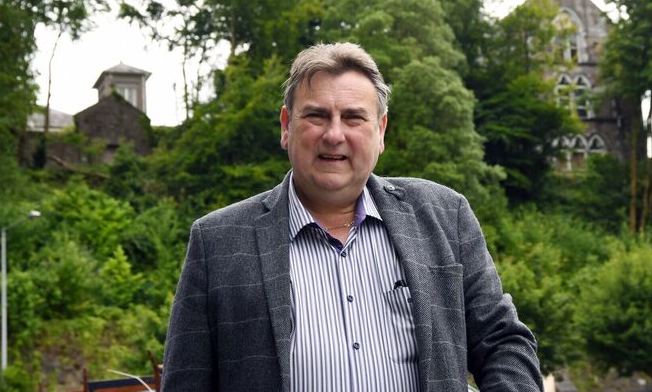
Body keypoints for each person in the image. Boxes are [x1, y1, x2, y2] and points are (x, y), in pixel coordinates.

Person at [162, 43, 543, 392]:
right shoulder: (217, 241)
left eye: (354, 118)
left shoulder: (444, 215)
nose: (334, 134)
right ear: (285, 126)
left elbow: (502, 342)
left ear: (380, 131)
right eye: (316, 115)